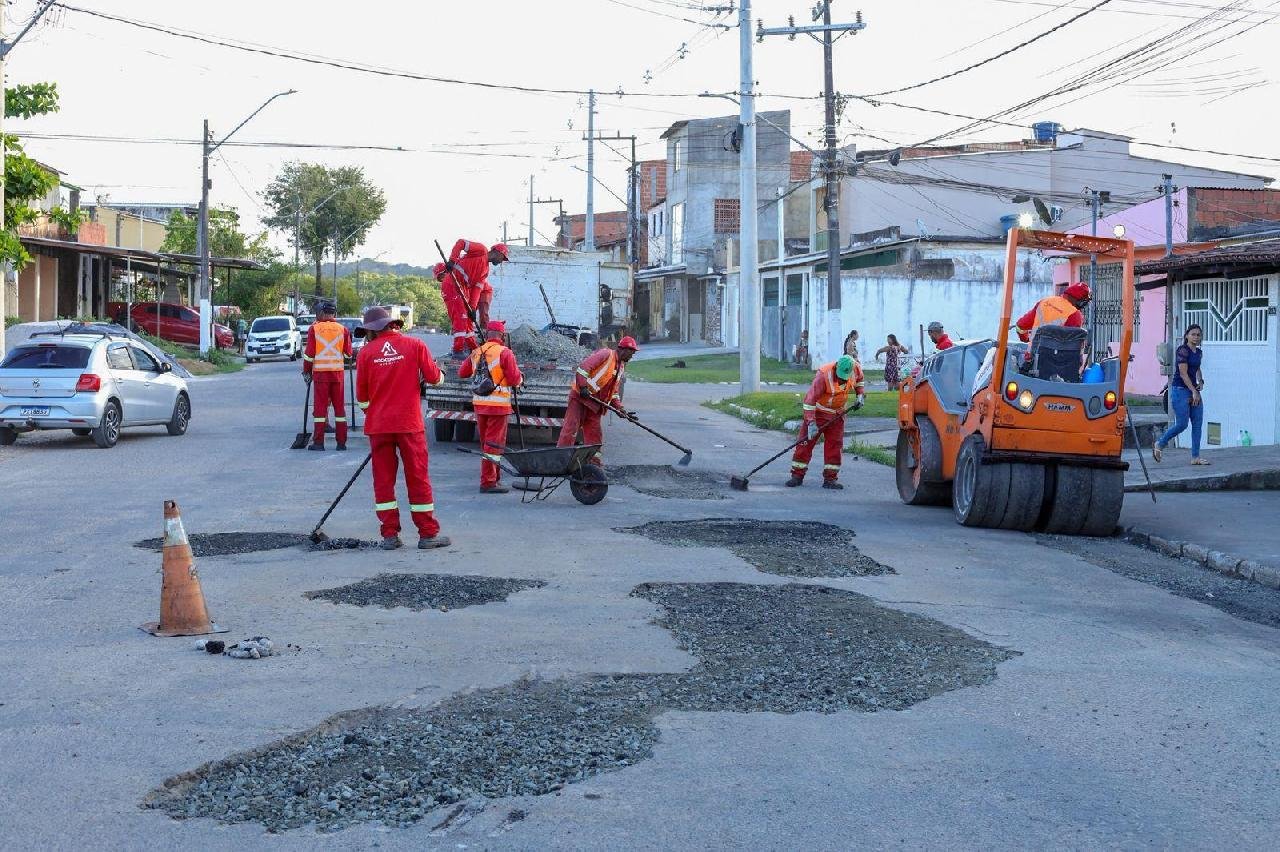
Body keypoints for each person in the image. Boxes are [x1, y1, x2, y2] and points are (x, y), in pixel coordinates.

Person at [354, 306, 451, 551]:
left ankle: (389, 535)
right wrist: (441, 373)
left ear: (372, 330)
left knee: (383, 481)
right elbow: (434, 378)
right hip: (409, 425)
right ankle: (427, 534)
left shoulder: (365, 354)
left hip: (379, 428)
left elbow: (362, 398)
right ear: (392, 324)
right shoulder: (415, 345)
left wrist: (377, 415)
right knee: (417, 477)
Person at [457, 320, 524, 494]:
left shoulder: (477, 352)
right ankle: (488, 482)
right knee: (494, 445)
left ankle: (495, 477)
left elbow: (462, 372)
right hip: (498, 406)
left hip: (480, 404)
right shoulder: (505, 352)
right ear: (502, 336)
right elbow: (514, 379)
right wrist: (521, 378)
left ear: (487, 335)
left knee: (487, 444)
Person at [557, 336, 639, 467]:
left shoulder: (621, 367)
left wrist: (620, 409)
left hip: (595, 405)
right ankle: (561, 462)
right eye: (632, 352)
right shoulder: (606, 354)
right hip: (580, 399)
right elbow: (583, 368)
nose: (632, 356)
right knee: (571, 429)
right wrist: (583, 387)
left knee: (594, 436)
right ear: (624, 349)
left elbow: (614, 393)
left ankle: (594, 465)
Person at [787, 355, 865, 490]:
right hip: (818, 413)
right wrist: (811, 423)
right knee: (804, 444)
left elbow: (860, 382)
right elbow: (809, 401)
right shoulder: (823, 376)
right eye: (840, 376)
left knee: (834, 446)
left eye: (844, 377)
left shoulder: (856, 369)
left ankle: (830, 479)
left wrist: (860, 395)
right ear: (836, 367)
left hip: (837, 414)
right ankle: (797, 476)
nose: (842, 380)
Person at [441, 240, 510, 355]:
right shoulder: (480, 250)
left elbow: (477, 290)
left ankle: (473, 348)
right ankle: (457, 350)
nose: (501, 261)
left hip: (463, 289)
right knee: (461, 317)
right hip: (452, 284)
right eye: (502, 258)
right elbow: (461, 243)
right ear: (498, 252)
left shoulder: (485, 271)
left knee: (468, 320)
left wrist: (472, 308)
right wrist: (452, 260)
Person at [302, 301, 353, 451]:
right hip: (337, 374)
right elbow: (348, 354)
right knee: (339, 409)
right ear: (335, 314)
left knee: (320, 409)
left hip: (320, 375)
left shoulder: (314, 329)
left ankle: (319, 442)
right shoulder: (343, 329)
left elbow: (309, 355)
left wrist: (307, 371)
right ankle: (341, 443)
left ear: (323, 313)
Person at [1153, 324, 1207, 465]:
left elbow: (1197, 368)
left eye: (1198, 335)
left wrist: (1201, 381)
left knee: (1197, 423)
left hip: (1193, 389)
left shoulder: (1199, 352)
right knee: (1182, 424)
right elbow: (1183, 373)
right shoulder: (1182, 351)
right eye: (1193, 334)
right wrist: (1194, 391)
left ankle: (1195, 457)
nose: (1196, 337)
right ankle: (1160, 443)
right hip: (1180, 390)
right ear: (1187, 335)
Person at [1015, 282, 1089, 345]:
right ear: (1079, 301)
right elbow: (1073, 344)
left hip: (1033, 354)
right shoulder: (1074, 314)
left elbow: (1020, 325)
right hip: (1056, 356)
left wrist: (1026, 339)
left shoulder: (1045, 301)